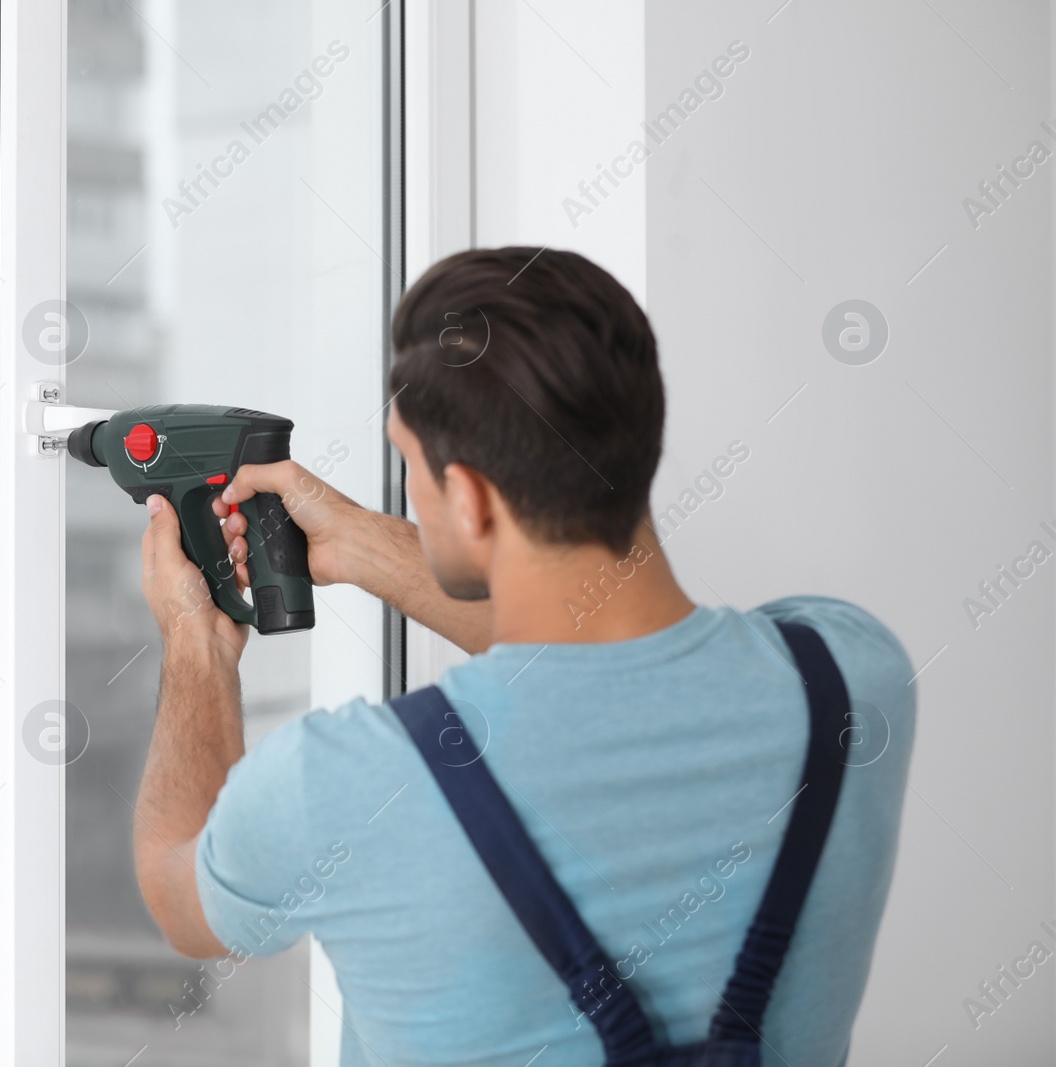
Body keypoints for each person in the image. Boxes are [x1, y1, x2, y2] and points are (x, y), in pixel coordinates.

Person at [131, 247, 914, 1066]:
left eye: (410, 465)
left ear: (467, 497)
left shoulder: (346, 783)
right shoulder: (853, 682)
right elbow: (605, 642)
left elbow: (175, 892)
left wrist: (198, 639)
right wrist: (361, 541)